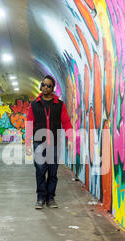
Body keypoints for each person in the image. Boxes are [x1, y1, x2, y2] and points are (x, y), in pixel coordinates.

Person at [25, 75, 72, 209]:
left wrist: (70, 139)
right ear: (41, 86)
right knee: (40, 171)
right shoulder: (34, 105)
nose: (46, 87)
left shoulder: (59, 105)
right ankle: (40, 197)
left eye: (49, 85)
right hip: (39, 142)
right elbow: (29, 124)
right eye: (44, 85)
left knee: (52, 172)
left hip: (55, 142)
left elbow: (66, 122)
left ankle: (50, 198)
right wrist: (28, 143)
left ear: (53, 88)